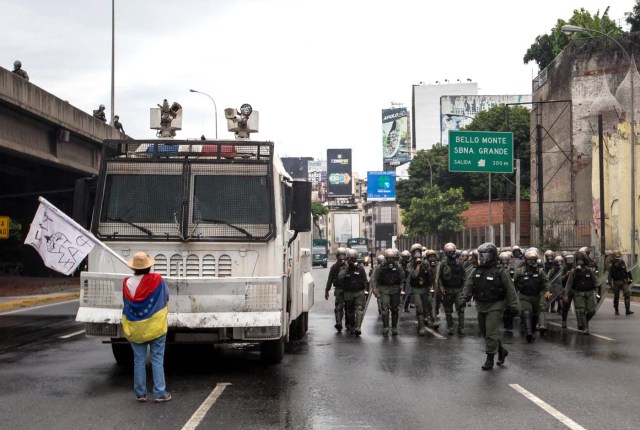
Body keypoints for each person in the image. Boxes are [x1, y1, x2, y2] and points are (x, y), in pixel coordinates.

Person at [122, 252, 171, 403]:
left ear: (133, 268)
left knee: (139, 360)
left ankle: (140, 394)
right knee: (157, 359)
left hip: (135, 328)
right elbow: (166, 296)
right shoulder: (157, 280)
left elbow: (126, 303)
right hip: (155, 327)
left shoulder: (127, 283)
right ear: (149, 266)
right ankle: (160, 393)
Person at [462, 242, 519, 370]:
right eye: (481, 255)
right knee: (486, 332)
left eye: (486, 255)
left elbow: (510, 290)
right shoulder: (476, 271)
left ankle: (490, 358)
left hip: (495, 305)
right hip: (481, 304)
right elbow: (469, 285)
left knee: (491, 333)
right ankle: (501, 350)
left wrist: (513, 306)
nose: (483, 258)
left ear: (493, 256)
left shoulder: (500, 272)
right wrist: (463, 298)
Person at [513, 248, 552, 342]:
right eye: (530, 260)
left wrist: (547, 290)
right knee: (526, 312)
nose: (532, 262)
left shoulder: (540, 271)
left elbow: (546, 282)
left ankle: (533, 331)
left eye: (533, 260)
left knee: (535, 315)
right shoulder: (519, 271)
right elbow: (513, 284)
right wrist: (513, 295)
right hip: (524, 296)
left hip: (537, 296)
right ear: (526, 260)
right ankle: (528, 333)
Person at [563, 251, 602, 335]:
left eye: (581, 260)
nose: (580, 261)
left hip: (589, 293)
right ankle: (585, 328)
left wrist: (597, 293)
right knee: (581, 310)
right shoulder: (573, 272)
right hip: (578, 294)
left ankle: (584, 320)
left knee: (592, 311)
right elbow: (568, 285)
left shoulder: (590, 271)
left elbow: (596, 283)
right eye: (578, 260)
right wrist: (566, 295)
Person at [371, 248, 405, 336]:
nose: (391, 260)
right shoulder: (380, 267)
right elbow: (375, 278)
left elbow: (402, 279)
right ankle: (386, 327)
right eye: (389, 258)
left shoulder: (398, 267)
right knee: (385, 308)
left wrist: (401, 287)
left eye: (392, 258)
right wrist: (374, 288)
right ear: (386, 258)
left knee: (395, 309)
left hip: (395, 289)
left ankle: (394, 328)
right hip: (384, 289)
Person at [438, 243, 466, 335]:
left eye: (452, 252)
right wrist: (441, 287)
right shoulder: (443, 264)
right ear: (446, 253)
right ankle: (450, 327)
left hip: (458, 289)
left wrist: (464, 290)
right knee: (448, 310)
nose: (451, 253)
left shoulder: (459, 263)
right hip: (448, 289)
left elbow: (464, 276)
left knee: (461, 308)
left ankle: (461, 328)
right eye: (449, 252)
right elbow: (440, 277)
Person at [338, 249, 368, 336]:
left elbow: (365, 280)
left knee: (359, 309)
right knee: (350, 311)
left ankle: (358, 327)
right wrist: (347, 268)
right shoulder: (343, 268)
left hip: (359, 292)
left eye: (354, 259)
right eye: (350, 259)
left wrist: (366, 289)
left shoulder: (360, 268)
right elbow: (340, 277)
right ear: (347, 259)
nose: (352, 261)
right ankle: (351, 326)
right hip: (348, 293)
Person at [407, 246, 431, 336]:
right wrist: (417, 265)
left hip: (425, 288)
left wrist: (430, 285)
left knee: (425, 308)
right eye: (415, 252)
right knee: (419, 308)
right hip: (416, 289)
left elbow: (430, 275)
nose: (417, 253)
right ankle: (421, 327)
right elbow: (414, 275)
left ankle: (425, 320)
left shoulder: (425, 263)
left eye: (419, 252)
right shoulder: (410, 264)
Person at [325, 247, 347, 333]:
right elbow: (330, 279)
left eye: (343, 255)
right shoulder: (334, 267)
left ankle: (350, 325)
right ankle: (339, 323)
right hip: (339, 289)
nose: (341, 257)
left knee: (349, 308)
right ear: (337, 256)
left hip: (348, 290)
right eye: (340, 255)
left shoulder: (348, 265)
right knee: (338, 307)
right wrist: (327, 290)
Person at [608, 250, 634, 316]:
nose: (618, 257)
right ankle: (616, 310)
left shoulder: (622, 262)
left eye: (618, 255)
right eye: (616, 255)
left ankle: (627, 310)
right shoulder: (611, 263)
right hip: (616, 281)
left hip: (624, 281)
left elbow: (627, 270)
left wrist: (630, 278)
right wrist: (610, 284)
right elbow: (610, 274)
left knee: (627, 294)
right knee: (616, 296)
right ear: (614, 256)